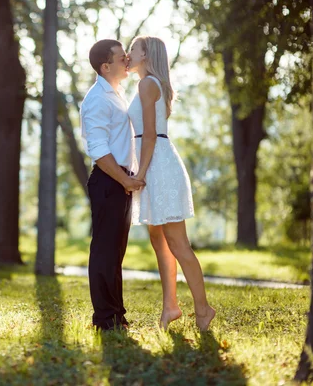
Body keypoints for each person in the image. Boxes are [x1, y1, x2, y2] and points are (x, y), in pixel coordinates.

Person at [126, 35, 216, 331]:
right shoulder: (149, 84)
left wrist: (140, 174)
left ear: (146, 54)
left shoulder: (147, 83)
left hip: (158, 166)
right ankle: (171, 307)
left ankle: (203, 310)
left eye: (133, 49)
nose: (128, 54)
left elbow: (150, 135)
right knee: (158, 239)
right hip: (153, 162)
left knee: (177, 242)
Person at [80, 39, 145, 331]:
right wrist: (126, 181)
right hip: (109, 180)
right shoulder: (97, 99)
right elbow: (99, 150)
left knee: (116, 251)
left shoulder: (116, 93)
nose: (127, 60)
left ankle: (117, 314)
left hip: (120, 180)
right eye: (121, 58)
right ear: (106, 66)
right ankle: (105, 319)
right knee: (105, 251)